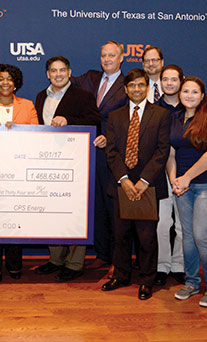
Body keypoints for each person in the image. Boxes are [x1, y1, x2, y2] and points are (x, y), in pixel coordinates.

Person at [101, 69, 171, 301]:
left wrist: (142, 181)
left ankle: (146, 280)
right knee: (120, 235)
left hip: (147, 187)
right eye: (132, 86)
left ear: (147, 87)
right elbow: (111, 152)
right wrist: (124, 179)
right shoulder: (114, 116)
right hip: (121, 185)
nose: (137, 89)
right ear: (125, 89)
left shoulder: (161, 114)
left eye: (141, 85)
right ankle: (120, 276)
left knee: (146, 237)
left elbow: (162, 152)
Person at [33, 56, 100, 282]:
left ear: (70, 72)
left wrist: (68, 119)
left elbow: (94, 121)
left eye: (62, 70)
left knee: (74, 213)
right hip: (47, 162)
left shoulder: (83, 96)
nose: (58, 74)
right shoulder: (41, 96)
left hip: (75, 164)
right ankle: (55, 259)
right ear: (47, 74)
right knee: (52, 211)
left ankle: (74, 263)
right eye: (53, 70)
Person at [0, 64, 39, 282]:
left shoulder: (27, 106)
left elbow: (37, 136)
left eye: (9, 79)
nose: (5, 83)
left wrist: (20, 129)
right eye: (1, 79)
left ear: (16, 83)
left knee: (14, 219)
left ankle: (14, 264)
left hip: (18, 172)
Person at [167, 76, 207, 308]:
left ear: (202, 96)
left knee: (202, 235)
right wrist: (174, 180)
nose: (189, 95)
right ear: (180, 95)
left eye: (194, 92)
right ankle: (192, 282)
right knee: (188, 237)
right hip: (182, 186)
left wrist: (187, 178)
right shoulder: (175, 118)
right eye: (186, 92)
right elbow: (170, 154)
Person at [71, 41, 128, 270]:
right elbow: (63, 82)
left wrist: (110, 138)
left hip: (114, 154)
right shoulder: (91, 78)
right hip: (88, 154)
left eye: (112, 55)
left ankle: (119, 259)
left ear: (121, 57)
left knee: (114, 207)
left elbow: (132, 121)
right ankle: (103, 255)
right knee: (97, 206)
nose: (107, 59)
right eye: (103, 55)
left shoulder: (129, 84)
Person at [154, 64, 186, 286]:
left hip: (187, 174)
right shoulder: (154, 109)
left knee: (183, 225)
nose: (170, 83)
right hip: (161, 174)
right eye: (166, 79)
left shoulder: (191, 107)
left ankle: (180, 265)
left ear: (181, 81)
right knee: (162, 223)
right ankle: (162, 266)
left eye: (174, 79)